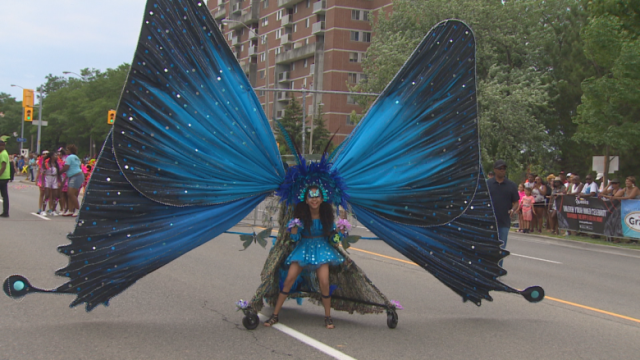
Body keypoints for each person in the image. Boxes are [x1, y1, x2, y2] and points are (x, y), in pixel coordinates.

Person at [264, 186, 346, 329]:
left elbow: (334, 239)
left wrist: (340, 231)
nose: (314, 199)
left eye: (317, 196)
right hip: (303, 248)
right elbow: (295, 238)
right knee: (289, 280)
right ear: (306, 200)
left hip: (322, 250)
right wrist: (294, 229)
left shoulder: (327, 217)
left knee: (324, 282)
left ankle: (328, 317)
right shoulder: (300, 216)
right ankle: (275, 315)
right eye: (311, 196)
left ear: (322, 199)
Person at [487, 160, 519, 251]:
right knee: (489, 248)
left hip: (504, 221)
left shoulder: (511, 185)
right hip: (489, 221)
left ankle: (499, 265)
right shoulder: (488, 184)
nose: (502, 170)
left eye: (504, 168)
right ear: (495, 170)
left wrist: (513, 209)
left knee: (501, 249)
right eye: (500, 168)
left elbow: (516, 202)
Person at [61, 144, 84, 217]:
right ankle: (70, 210)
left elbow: (66, 167)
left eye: (67, 149)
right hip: (77, 175)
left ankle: (78, 209)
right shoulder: (76, 157)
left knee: (71, 193)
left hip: (75, 176)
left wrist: (59, 172)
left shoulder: (69, 157)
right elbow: (79, 166)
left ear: (70, 151)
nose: (66, 151)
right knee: (71, 194)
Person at [42, 151, 62, 216]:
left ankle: (53, 210)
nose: (56, 157)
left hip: (55, 179)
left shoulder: (56, 164)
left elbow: (58, 174)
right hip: (48, 178)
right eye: (55, 155)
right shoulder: (46, 163)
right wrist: (42, 183)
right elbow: (43, 173)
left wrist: (60, 181)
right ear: (51, 156)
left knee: (56, 195)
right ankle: (43, 210)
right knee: (47, 195)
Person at [0, 140, 10, 217]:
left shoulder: (3, 154)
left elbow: (3, 166)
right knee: (4, 195)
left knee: (4, 195)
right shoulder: (4, 153)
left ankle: (5, 212)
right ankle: (5, 212)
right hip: (4, 177)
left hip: (2, 177)